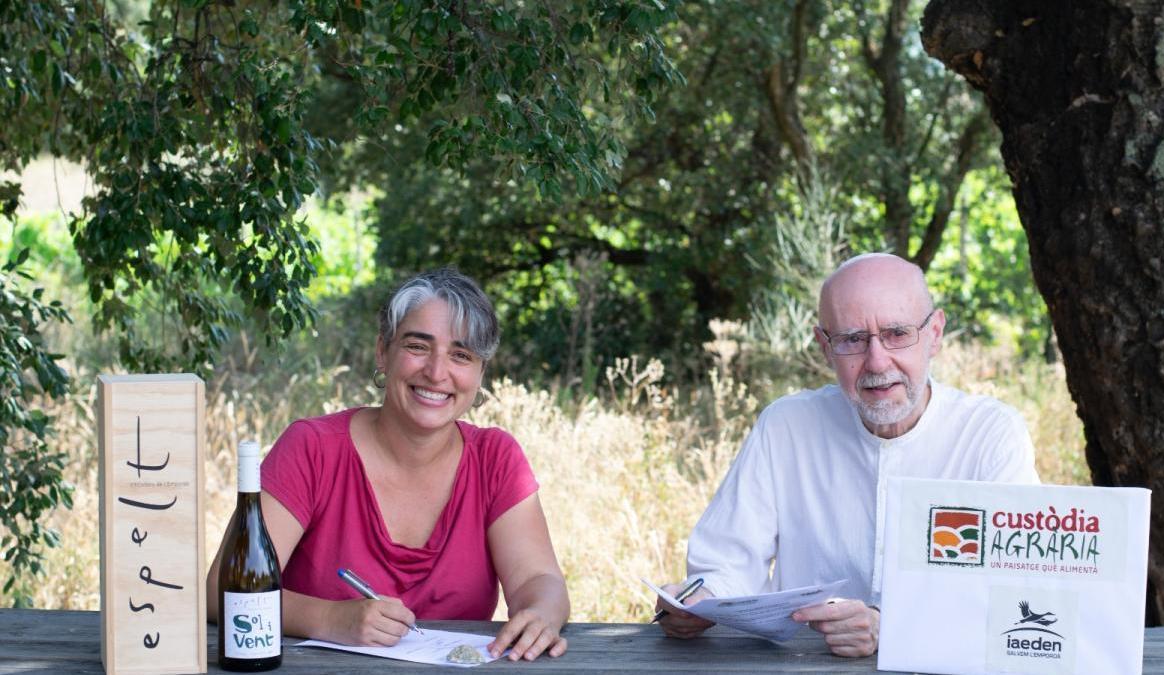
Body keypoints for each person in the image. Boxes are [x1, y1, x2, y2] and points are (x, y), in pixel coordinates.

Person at [655, 253, 1038, 656]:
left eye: (896, 333)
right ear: (825, 346)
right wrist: (697, 602)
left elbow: (1014, 595)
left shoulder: (990, 434)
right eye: (853, 339)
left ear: (936, 334)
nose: (876, 361)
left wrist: (889, 626)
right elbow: (728, 561)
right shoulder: (786, 426)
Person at [207, 268, 570, 661]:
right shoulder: (312, 449)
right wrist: (330, 618)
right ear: (383, 351)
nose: (436, 372)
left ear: (480, 372)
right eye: (418, 346)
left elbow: (539, 580)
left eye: (461, 355)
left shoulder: (495, 459)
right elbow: (221, 593)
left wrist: (539, 614)